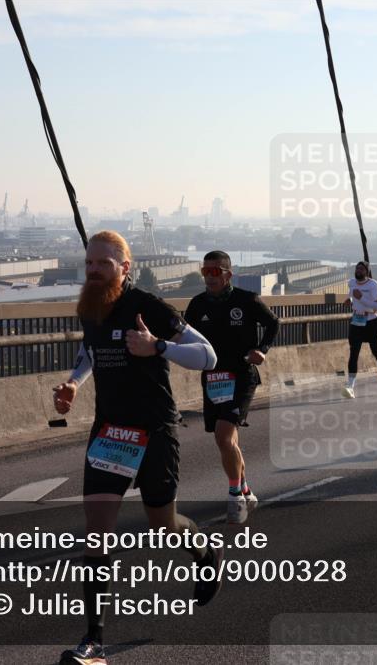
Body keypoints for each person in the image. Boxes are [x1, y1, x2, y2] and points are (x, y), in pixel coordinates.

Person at [52, 232, 221, 665]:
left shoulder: (147, 306)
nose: (92, 271)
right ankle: (93, 642)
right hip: (110, 430)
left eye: (102, 264)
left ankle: (205, 554)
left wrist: (157, 347)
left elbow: (208, 355)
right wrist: (74, 382)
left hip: (154, 430)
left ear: (124, 268)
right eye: (88, 263)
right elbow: (90, 349)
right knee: (97, 531)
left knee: (162, 523)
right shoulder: (90, 303)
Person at [185, 250, 280, 524]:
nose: (209, 277)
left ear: (228, 274)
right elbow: (181, 335)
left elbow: (273, 323)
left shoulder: (246, 300)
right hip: (213, 378)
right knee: (225, 441)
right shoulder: (198, 304)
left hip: (241, 376)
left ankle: (235, 496)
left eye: (215, 272)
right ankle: (246, 490)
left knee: (225, 435)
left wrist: (262, 350)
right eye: (205, 272)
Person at [342, 261, 377, 398]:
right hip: (356, 321)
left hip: (372, 321)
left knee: (375, 351)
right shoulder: (352, 283)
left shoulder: (373, 285)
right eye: (357, 268)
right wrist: (349, 301)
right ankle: (350, 387)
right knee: (353, 353)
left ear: (366, 272)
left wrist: (361, 298)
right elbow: (351, 295)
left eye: (361, 269)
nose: (358, 271)